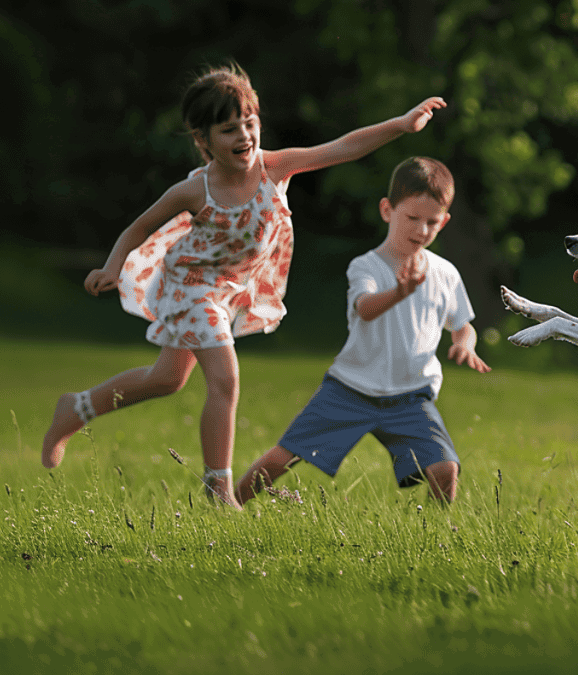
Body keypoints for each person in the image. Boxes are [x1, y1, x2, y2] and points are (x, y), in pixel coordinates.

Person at [41, 64, 446, 508]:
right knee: (226, 380)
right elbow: (138, 228)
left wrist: (403, 125)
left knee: (166, 379)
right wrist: (113, 267)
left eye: (250, 123)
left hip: (228, 290)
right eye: (229, 129)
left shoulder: (275, 168)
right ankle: (218, 490)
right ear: (203, 139)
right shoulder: (193, 191)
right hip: (191, 287)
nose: (245, 136)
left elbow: (343, 146)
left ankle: (75, 408)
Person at [235, 156, 490, 506]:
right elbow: (365, 308)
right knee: (284, 457)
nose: (421, 230)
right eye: (412, 218)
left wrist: (465, 344)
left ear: (444, 222)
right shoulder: (366, 266)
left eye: (431, 222)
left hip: (411, 397)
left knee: (445, 468)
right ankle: (228, 503)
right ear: (387, 210)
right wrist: (400, 292)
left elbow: (463, 325)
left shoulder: (445, 273)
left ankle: (432, 535)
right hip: (349, 391)